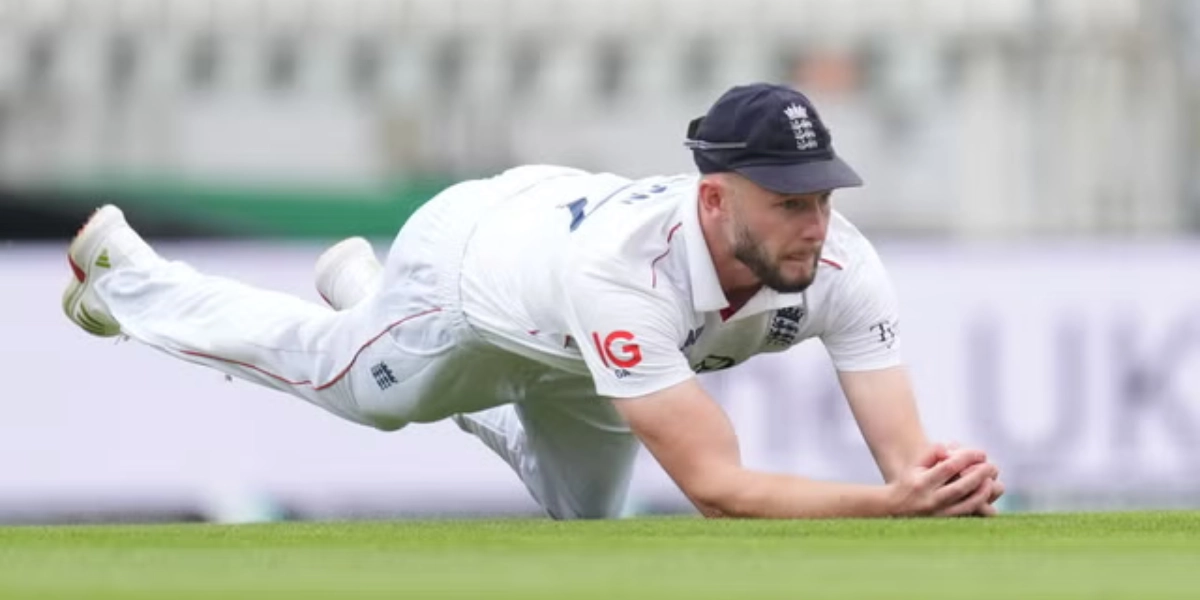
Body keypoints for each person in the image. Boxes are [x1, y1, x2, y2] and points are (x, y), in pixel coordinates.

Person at [63, 82, 1003, 520]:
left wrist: (940, 490)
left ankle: (364, 295)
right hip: (472, 270)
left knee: (587, 527)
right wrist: (889, 509)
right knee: (364, 391)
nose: (815, 225)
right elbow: (718, 488)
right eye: (789, 202)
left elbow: (907, 460)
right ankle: (127, 276)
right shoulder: (627, 274)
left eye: (825, 198)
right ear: (716, 198)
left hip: (582, 331)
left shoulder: (841, 261)